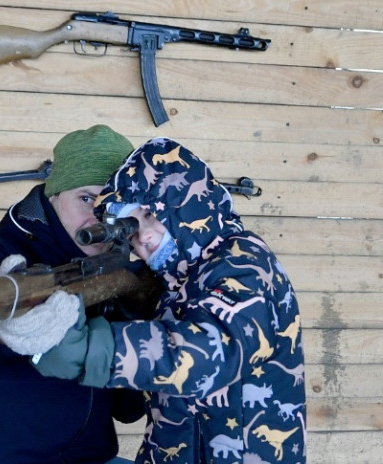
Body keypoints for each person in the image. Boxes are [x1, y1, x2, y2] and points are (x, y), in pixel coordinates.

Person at [32, 138, 307, 463]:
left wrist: (95, 350)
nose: (143, 236)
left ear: (184, 204)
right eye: (131, 229)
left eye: (149, 214)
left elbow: (205, 355)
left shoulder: (245, 264)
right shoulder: (175, 283)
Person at [0, 125, 144, 463]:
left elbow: (129, 410)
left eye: (112, 204)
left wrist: (134, 322)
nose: (98, 218)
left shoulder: (122, 269)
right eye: (86, 199)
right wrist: (2, 332)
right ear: (54, 195)